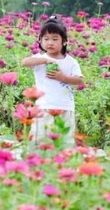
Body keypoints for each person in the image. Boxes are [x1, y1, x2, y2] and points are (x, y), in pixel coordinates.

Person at [21, 16, 84, 146]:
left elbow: (79, 80)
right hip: (43, 107)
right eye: (46, 39)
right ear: (40, 41)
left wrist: (63, 78)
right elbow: (24, 62)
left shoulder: (70, 61)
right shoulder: (39, 58)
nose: (50, 43)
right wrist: (45, 60)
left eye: (55, 39)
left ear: (64, 41)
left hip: (64, 107)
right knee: (39, 140)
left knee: (64, 142)